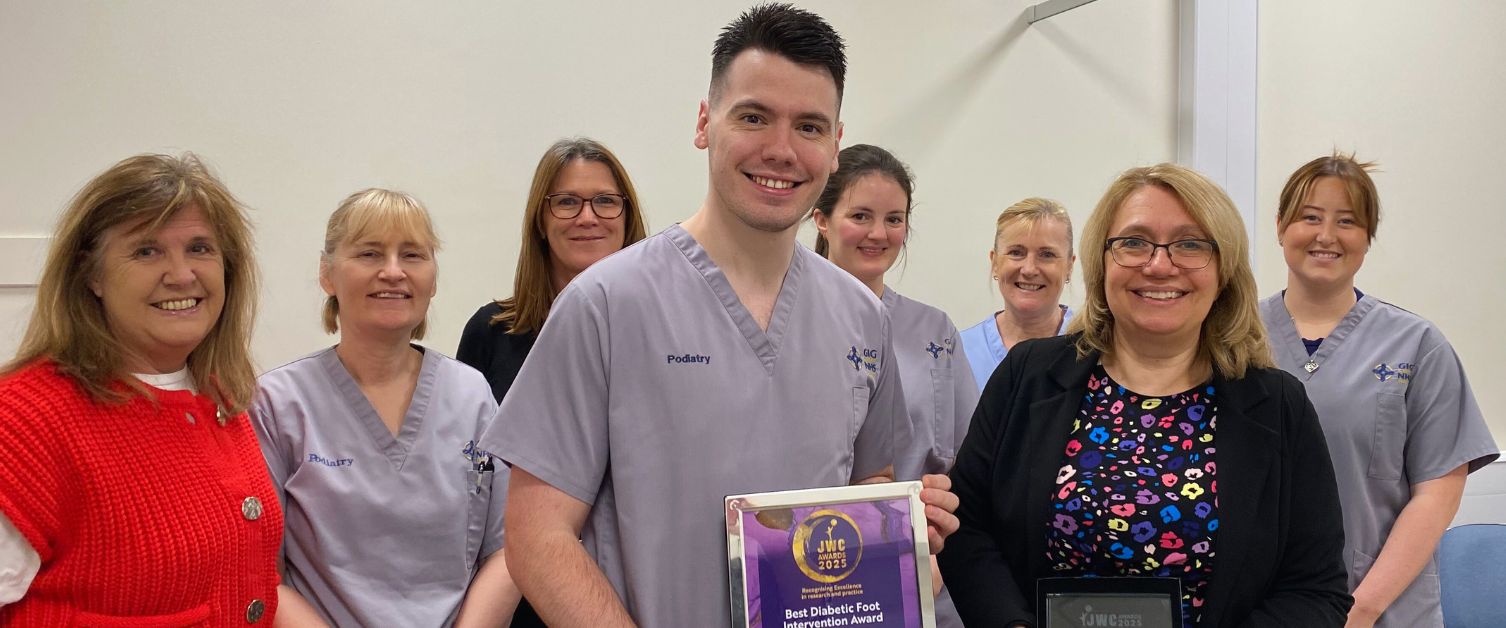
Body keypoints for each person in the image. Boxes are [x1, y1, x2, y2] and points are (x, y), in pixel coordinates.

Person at [479, 4, 959, 626]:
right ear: (705, 122)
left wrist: (903, 529)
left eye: (809, 126)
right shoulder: (606, 305)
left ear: (836, 144)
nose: (781, 150)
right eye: (754, 117)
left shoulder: (862, 318)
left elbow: (867, 486)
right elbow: (537, 537)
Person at [942, 163, 1352, 627]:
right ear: (1101, 261)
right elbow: (966, 526)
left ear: (1224, 270)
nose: (1158, 265)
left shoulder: (1277, 407)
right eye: (1134, 242)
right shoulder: (1028, 376)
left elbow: (1315, 590)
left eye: (1190, 244)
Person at [0, 153, 281, 623]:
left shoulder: (217, 395)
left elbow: (242, 583)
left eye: (200, 248)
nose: (181, 274)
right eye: (147, 251)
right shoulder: (23, 422)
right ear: (91, 275)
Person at [250, 189, 518, 627]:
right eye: (370, 253)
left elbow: (508, 548)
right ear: (327, 274)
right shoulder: (278, 404)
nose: (393, 272)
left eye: (412, 255)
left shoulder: (470, 395)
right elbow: (260, 571)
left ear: (432, 278)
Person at [1259, 154, 1498, 628]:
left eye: (1347, 221)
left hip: (1384, 608)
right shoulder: (1233, 340)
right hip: (1262, 607)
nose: (1326, 235)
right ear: (1281, 225)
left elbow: (1438, 492)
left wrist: (1361, 609)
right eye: (1310, 217)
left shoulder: (1417, 345)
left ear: (1368, 236)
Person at [809, 144, 978, 627]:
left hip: (921, 570)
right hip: (812, 567)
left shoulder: (933, 332)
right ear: (821, 219)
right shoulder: (789, 324)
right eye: (860, 216)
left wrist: (937, 541)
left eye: (894, 219)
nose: (878, 234)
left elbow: (967, 461)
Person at [456, 137, 649, 405]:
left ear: (627, 218)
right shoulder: (489, 333)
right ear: (540, 222)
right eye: (567, 202)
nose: (587, 218)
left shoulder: (660, 331)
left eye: (605, 200)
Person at [959, 197, 1076, 391]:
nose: (1029, 269)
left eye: (1047, 255)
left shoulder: (1095, 348)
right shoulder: (959, 353)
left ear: (1070, 266)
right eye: (1016, 252)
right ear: (995, 262)